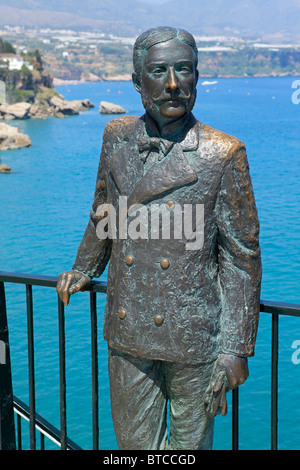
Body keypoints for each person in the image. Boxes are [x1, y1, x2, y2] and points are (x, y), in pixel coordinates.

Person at [56, 26, 262, 450]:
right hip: (129, 329)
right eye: (159, 71)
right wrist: (84, 266)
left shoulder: (222, 153)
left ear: (197, 78)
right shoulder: (116, 137)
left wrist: (235, 348)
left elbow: (242, 259)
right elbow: (104, 210)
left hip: (194, 337)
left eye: (184, 70)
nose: (173, 84)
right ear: (137, 81)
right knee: (133, 449)